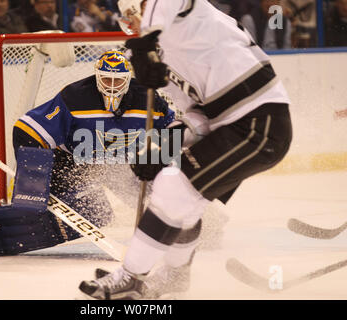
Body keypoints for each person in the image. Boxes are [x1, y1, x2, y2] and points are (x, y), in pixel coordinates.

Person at [79, 0, 292, 300]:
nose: (131, 22)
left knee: (173, 185)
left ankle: (130, 276)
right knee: (179, 194)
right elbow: (200, 112)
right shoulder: (155, 52)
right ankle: (175, 275)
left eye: (133, 12)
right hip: (231, 126)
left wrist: (144, 45)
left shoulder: (181, 13)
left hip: (262, 124)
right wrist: (167, 143)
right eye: (125, 18)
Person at [0, 50, 175, 257]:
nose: (111, 86)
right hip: (70, 163)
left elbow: (172, 130)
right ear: (96, 77)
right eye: (106, 80)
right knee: (92, 210)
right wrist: (34, 186)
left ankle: (177, 240)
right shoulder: (76, 97)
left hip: (120, 164)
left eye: (117, 81)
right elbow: (27, 129)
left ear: (128, 80)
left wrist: (159, 166)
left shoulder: (149, 99)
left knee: (165, 200)